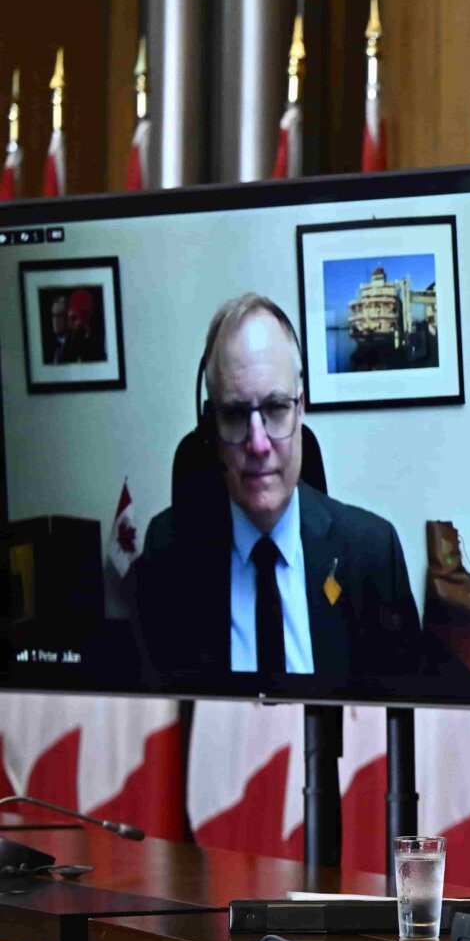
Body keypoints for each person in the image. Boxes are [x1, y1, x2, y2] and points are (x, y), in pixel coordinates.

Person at [133, 293, 423, 684]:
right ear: (210, 426)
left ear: (300, 408)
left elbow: (402, 712)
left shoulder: (373, 554)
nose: (258, 444)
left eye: (275, 408)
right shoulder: (167, 555)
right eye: (235, 414)